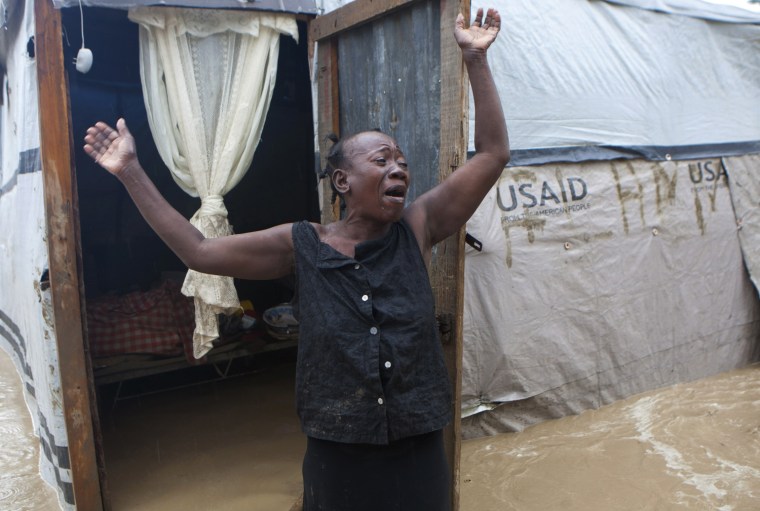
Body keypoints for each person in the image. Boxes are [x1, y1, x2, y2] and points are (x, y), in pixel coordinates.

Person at [84, 6, 508, 511]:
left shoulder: (419, 226)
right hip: (339, 448)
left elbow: (492, 154)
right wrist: (130, 170)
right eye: (381, 160)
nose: (398, 167)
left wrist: (474, 59)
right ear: (343, 181)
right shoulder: (301, 243)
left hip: (418, 442)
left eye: (402, 161)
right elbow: (197, 250)